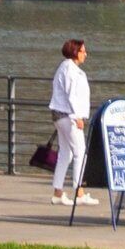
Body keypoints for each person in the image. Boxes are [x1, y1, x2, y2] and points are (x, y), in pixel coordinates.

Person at [46, 37, 91, 205]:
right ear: (75, 52)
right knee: (80, 152)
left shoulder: (66, 68)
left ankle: (58, 193)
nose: (85, 54)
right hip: (67, 116)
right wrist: (77, 116)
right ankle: (79, 192)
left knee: (66, 154)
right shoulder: (70, 70)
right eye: (83, 51)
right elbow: (71, 95)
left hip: (61, 115)